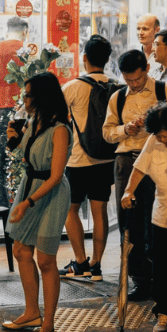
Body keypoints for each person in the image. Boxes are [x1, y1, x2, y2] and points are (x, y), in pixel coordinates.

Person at [102, 50, 167, 302]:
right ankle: (141, 281)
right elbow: (106, 132)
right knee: (131, 226)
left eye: (137, 79)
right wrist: (125, 129)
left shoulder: (165, 90)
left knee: (165, 224)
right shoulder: (117, 97)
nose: (134, 84)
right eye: (128, 80)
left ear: (146, 68)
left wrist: (151, 124)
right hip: (127, 162)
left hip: (161, 159)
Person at [3, 72, 72, 332]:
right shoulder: (34, 122)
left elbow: (55, 177)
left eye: (28, 94)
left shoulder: (60, 128)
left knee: (46, 260)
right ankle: (32, 312)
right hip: (29, 187)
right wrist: (14, 141)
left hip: (49, 193)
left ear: (41, 96)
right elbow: (26, 155)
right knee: (20, 251)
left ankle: (49, 323)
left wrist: (27, 202)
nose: (24, 98)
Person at [121, 103, 167, 332]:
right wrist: (128, 190)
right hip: (163, 215)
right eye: (159, 136)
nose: (164, 139)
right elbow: (140, 168)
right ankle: (163, 313)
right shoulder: (154, 141)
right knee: (162, 267)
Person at [58, 35, 116, 282]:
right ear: (107, 59)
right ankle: (97, 265)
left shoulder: (72, 87)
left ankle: (80, 262)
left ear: (84, 58)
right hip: (106, 160)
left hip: (78, 161)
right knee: (99, 210)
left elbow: (57, 119)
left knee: (70, 210)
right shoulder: (117, 86)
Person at [0, 17, 28, 206]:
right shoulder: (26, 52)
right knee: (18, 160)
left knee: (2, 163)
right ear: (24, 31)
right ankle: (15, 206)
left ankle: (4, 206)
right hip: (19, 111)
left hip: (0, 109)